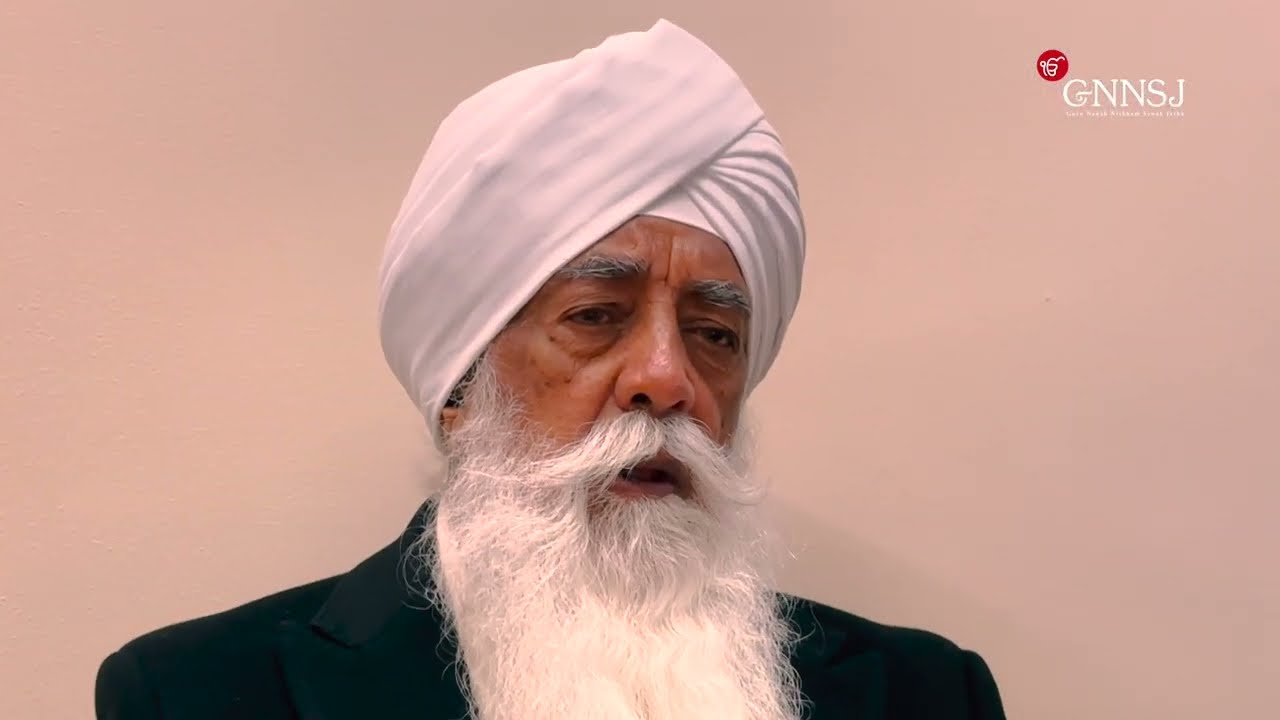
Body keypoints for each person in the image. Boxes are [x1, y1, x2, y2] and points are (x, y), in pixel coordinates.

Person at [95, 19, 1006, 720]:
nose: (667, 380)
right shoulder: (196, 693)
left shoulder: (929, 695)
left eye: (714, 335)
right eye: (595, 318)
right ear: (461, 389)